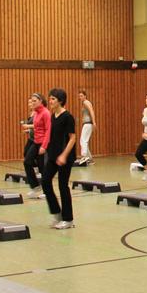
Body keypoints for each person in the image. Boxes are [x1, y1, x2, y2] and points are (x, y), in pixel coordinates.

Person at [42, 88, 77, 229]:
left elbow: (72, 138)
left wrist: (64, 155)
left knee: (63, 186)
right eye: (50, 98)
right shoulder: (52, 116)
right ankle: (57, 213)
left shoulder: (68, 117)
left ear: (60, 101)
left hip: (65, 157)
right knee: (45, 181)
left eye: (53, 99)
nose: (50, 101)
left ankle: (68, 220)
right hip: (53, 155)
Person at [23, 92, 51, 199]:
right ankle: (35, 186)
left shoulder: (46, 113)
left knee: (43, 168)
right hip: (36, 142)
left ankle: (47, 191)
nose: (33, 103)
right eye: (32, 101)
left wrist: (44, 146)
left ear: (41, 101)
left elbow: (48, 130)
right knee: (27, 162)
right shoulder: (36, 113)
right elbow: (37, 126)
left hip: (43, 143)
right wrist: (29, 129)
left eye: (35, 101)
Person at [74, 89, 95, 166]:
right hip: (87, 124)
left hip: (88, 123)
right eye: (79, 96)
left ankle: (84, 156)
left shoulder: (86, 102)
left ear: (85, 96)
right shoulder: (85, 103)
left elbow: (91, 111)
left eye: (81, 96)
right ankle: (90, 159)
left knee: (83, 140)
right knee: (85, 141)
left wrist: (94, 122)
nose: (80, 97)